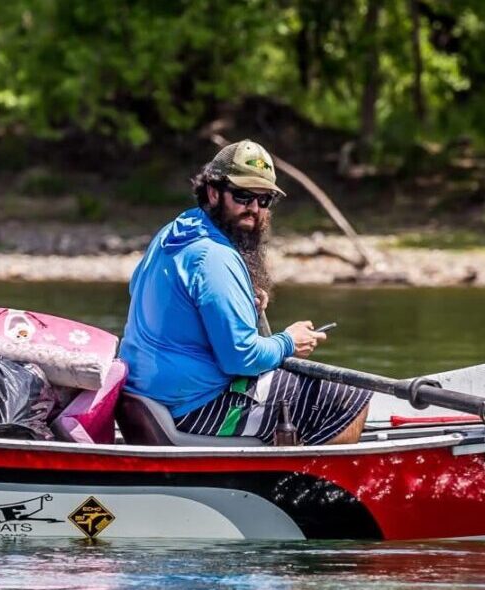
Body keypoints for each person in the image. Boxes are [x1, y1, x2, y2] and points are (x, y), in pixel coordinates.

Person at [119, 140, 371, 445]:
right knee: (347, 398)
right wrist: (288, 342)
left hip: (145, 396)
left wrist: (237, 301)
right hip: (195, 408)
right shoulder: (214, 256)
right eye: (243, 196)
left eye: (264, 200)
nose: (253, 209)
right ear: (213, 192)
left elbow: (151, 294)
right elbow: (241, 358)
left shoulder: (176, 231)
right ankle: (311, 491)